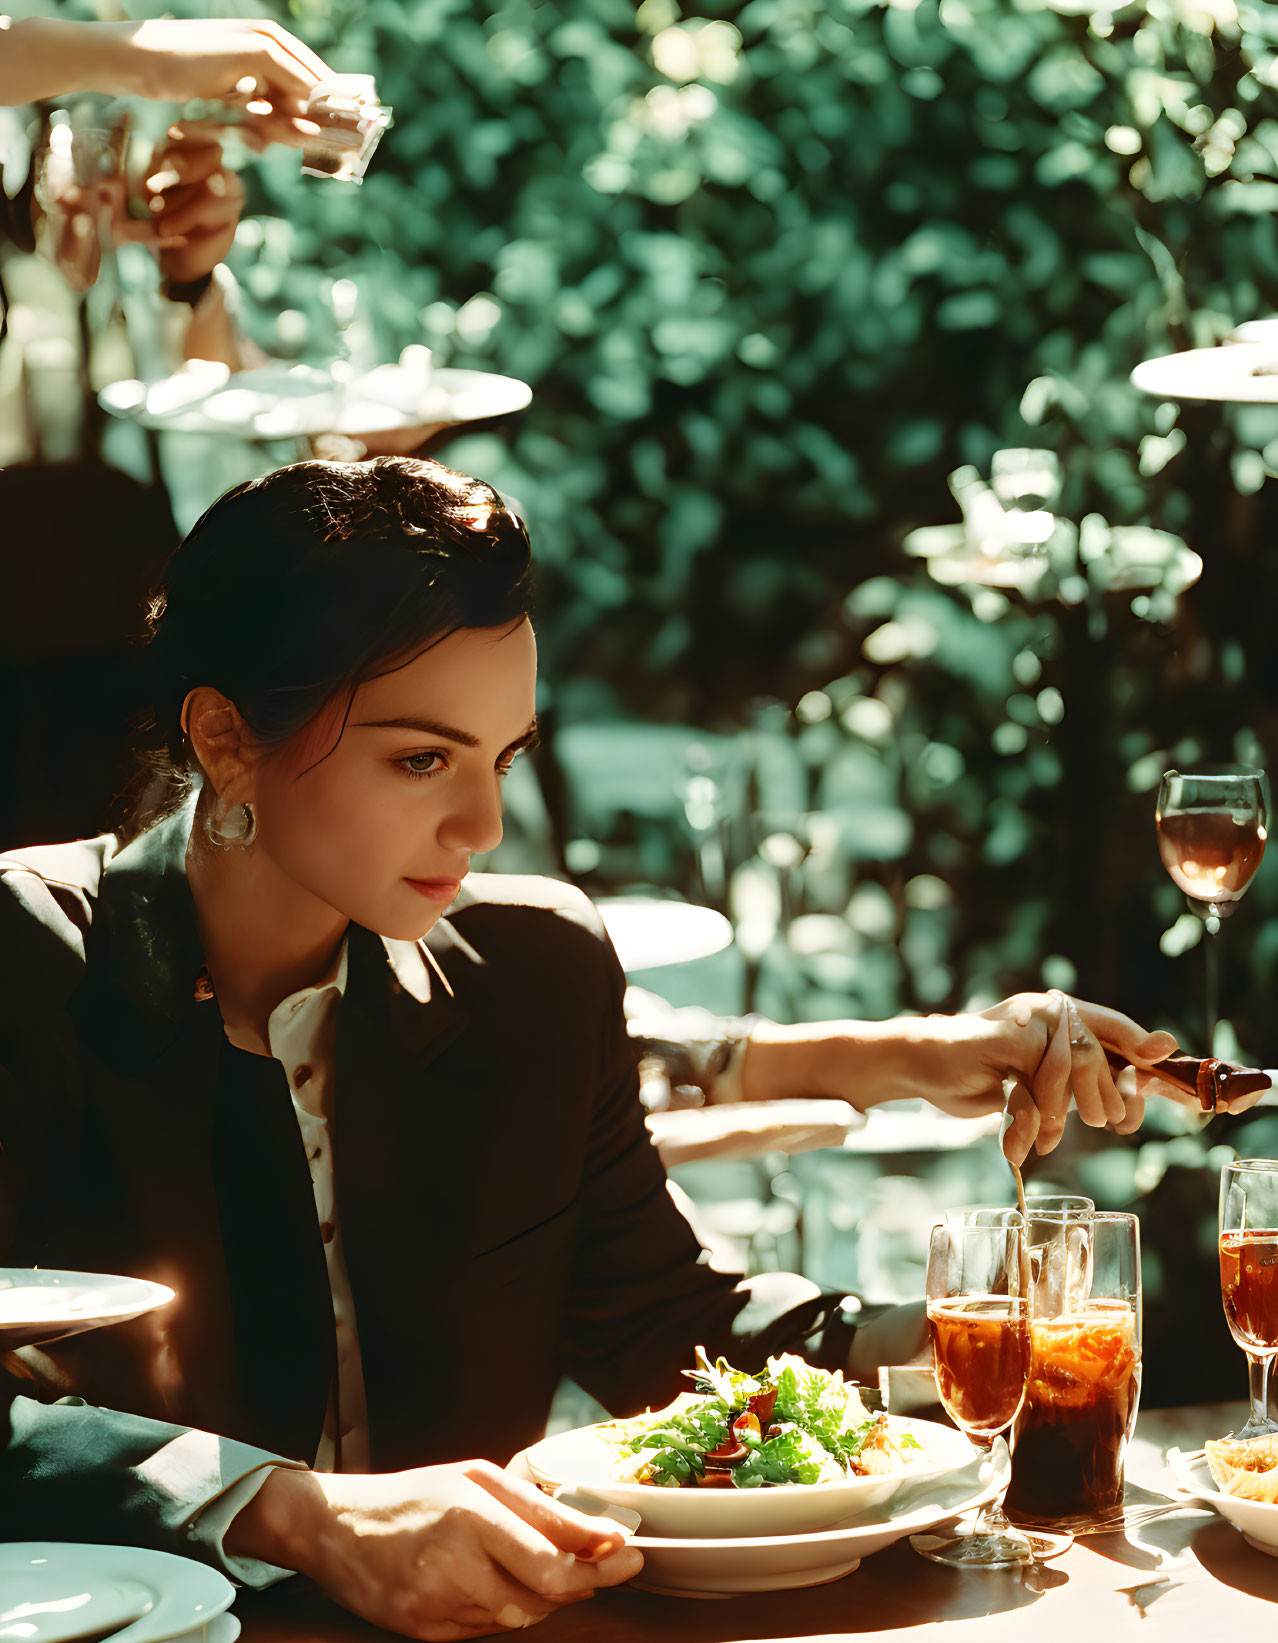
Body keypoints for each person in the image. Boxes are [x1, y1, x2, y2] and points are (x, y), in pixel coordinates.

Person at [0, 457, 1232, 1641]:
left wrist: (949, 1333)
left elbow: (661, 1321)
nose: (482, 823)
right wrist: (297, 1515)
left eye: (504, 757)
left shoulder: (533, 969)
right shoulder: (25, 962)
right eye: (421, 756)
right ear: (223, 737)